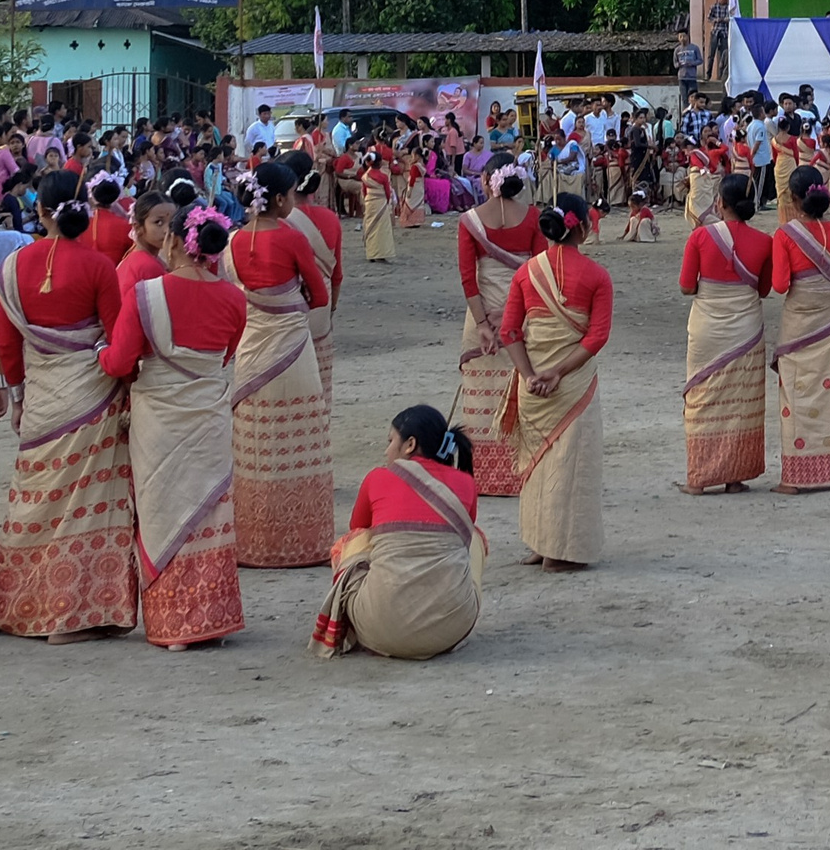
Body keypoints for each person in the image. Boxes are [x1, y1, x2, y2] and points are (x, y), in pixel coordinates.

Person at [0, 168, 139, 642]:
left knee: (37, 501)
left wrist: (17, 396)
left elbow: (5, 343)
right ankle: (78, 614)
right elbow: (117, 340)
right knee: (91, 504)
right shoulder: (97, 266)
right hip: (92, 394)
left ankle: (24, 605)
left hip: (40, 402)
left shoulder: (11, 269)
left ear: (38, 210)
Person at [100, 201, 248, 649]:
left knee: (162, 511)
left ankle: (172, 628)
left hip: (158, 422)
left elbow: (120, 361)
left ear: (173, 242)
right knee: (208, 510)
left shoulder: (146, 295)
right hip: (208, 417)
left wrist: (98, 357)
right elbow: (225, 355)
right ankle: (209, 619)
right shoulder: (234, 298)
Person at [225, 161, 335, 567]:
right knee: (299, 437)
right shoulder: (290, 238)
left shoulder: (234, 241)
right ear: (278, 199)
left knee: (256, 442)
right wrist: (295, 300)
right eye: (289, 194)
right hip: (291, 348)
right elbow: (320, 296)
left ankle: (254, 541)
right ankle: (301, 541)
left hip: (252, 347)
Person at [314, 402, 486, 660]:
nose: (386, 450)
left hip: (378, 626)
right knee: (474, 539)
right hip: (451, 629)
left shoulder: (378, 477)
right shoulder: (467, 483)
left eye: (390, 440)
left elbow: (358, 530)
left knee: (355, 540)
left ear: (410, 445)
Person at [498, 194, 611, 569]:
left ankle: (539, 545)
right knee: (570, 467)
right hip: (572, 385)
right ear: (582, 227)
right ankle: (563, 551)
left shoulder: (525, 273)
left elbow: (510, 331)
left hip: (532, 387)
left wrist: (529, 375)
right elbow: (596, 338)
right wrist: (558, 372)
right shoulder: (597, 276)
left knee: (537, 465)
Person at [679, 172, 773, 494]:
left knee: (702, 398)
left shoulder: (700, 238)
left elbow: (686, 286)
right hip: (746, 328)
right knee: (741, 403)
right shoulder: (765, 242)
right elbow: (763, 290)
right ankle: (735, 477)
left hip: (706, 328)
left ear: (719, 202)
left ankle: (699, 478)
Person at [770, 165, 830, 492]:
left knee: (795, 392)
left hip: (798, 327)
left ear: (792, 199)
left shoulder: (784, 235)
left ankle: (795, 478)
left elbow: (779, 285)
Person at [454, 165, 540, 496]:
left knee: (481, 394)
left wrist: (483, 325)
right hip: (522, 316)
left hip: (481, 319)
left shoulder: (469, 221)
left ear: (488, 181)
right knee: (522, 389)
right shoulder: (532, 217)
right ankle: (521, 470)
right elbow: (539, 270)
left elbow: (468, 276)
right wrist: (514, 316)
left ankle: (485, 477)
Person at [284, 156, 346, 404]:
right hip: (322, 306)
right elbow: (337, 273)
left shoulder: (279, 222)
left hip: (290, 308)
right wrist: (331, 308)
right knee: (319, 382)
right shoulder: (330, 218)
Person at [359, 148, 397, 263]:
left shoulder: (365, 176)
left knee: (370, 226)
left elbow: (364, 191)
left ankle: (371, 252)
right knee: (381, 228)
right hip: (380, 202)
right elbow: (387, 192)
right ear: (380, 163)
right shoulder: (383, 177)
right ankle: (380, 253)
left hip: (370, 202)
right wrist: (387, 202)